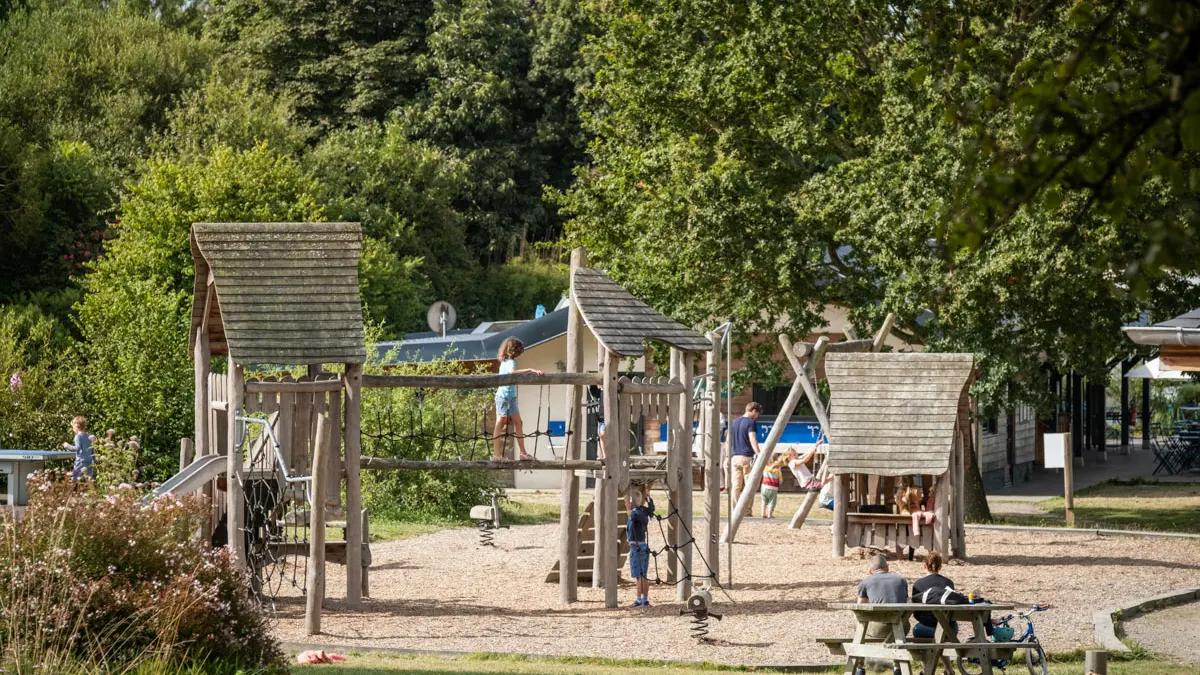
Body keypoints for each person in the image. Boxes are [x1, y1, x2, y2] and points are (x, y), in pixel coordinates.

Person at [855, 555, 909, 675]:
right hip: (902, 627)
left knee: (858, 620)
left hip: (878, 629)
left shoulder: (866, 582)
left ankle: (860, 667)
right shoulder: (901, 580)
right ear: (887, 567)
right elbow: (905, 602)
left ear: (870, 571)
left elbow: (859, 608)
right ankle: (897, 667)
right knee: (897, 631)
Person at [491, 338, 543, 461]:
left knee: (518, 423)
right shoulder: (510, 362)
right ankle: (497, 455)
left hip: (510, 397)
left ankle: (522, 453)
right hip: (504, 397)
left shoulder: (504, 362)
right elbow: (513, 372)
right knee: (500, 423)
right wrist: (530, 369)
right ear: (514, 350)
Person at [911, 551, 956, 672]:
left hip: (926, 628)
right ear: (940, 566)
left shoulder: (918, 584)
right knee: (941, 635)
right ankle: (948, 668)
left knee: (918, 631)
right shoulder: (948, 583)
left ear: (924, 565)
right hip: (949, 629)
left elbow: (916, 612)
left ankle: (926, 668)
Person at [727, 402, 762, 510]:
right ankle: (746, 510)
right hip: (747, 457)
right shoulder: (751, 423)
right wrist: (759, 454)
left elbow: (728, 441)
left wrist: (728, 457)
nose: (757, 417)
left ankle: (735, 509)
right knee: (749, 486)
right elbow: (752, 439)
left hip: (734, 457)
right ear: (754, 411)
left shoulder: (734, 422)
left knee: (736, 486)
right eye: (757, 414)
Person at [626, 484, 655, 607]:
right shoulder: (644, 511)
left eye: (626, 502)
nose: (625, 504)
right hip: (643, 546)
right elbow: (651, 509)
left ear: (631, 502)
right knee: (644, 575)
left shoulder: (635, 514)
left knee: (639, 575)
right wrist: (648, 497)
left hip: (636, 547)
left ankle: (639, 600)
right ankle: (645, 599)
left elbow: (631, 515)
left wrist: (630, 508)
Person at [63, 415, 94, 480]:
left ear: (76, 426)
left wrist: (67, 445)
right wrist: (94, 460)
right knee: (89, 480)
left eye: (73, 427)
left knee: (75, 479)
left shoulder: (78, 436)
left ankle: (74, 490)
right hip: (89, 462)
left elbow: (77, 448)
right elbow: (92, 449)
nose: (72, 429)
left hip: (80, 462)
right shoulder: (88, 436)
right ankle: (91, 490)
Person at [760, 453, 785, 518]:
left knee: (764, 500)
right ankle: (769, 514)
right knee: (772, 501)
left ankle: (763, 513)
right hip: (773, 487)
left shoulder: (765, 468)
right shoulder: (777, 470)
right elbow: (780, 479)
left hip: (764, 486)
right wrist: (780, 483)